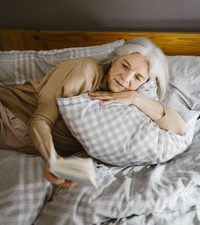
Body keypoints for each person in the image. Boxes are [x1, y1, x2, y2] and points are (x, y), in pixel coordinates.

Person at [0, 37, 185, 187]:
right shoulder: (85, 71)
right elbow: (39, 119)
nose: (126, 78)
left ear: (145, 83)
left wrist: (136, 98)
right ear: (114, 60)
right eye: (125, 65)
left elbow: (178, 129)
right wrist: (52, 160)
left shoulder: (132, 96)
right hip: (8, 115)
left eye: (137, 77)